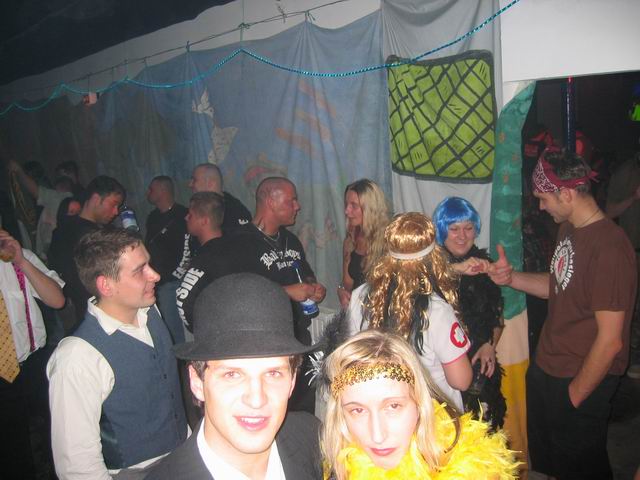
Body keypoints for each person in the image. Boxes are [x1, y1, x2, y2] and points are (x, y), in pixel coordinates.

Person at [489, 147, 637, 479]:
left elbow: (611, 341)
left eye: (544, 199)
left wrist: (574, 396)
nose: (540, 207)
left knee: (581, 469)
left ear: (566, 194)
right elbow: (559, 286)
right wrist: (511, 278)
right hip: (549, 369)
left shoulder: (610, 248)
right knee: (550, 466)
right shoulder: (569, 227)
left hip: (578, 379)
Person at [146, 273, 323, 480]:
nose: (256, 400)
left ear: (292, 381)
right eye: (232, 375)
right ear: (197, 382)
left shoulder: (313, 437)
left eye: (273, 373)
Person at [47, 228, 187, 479]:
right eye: (140, 270)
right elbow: (77, 466)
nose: (155, 275)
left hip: (182, 454)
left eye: (149, 264)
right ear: (106, 285)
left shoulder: (150, 311)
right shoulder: (77, 357)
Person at [320, 329, 519, 479]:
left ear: (419, 403)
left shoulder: (474, 471)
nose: (377, 436)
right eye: (358, 410)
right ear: (340, 415)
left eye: (393, 406)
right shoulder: (343, 465)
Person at [348, 212, 474, 412]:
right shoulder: (436, 310)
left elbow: (354, 359)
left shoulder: (359, 296)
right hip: (432, 418)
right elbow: (461, 381)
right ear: (435, 257)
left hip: (382, 412)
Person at [229, 177, 326, 413]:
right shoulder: (238, 243)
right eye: (292, 200)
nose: (297, 206)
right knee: (273, 409)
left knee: (302, 408)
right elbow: (238, 295)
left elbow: (304, 275)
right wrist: (286, 292)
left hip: (298, 338)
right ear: (271, 202)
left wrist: (313, 288)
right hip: (263, 345)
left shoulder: (290, 239)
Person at [432, 196, 506, 430]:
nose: (462, 236)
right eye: (454, 229)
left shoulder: (484, 265)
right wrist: (456, 269)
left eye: (468, 228)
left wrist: (489, 345)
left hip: (478, 366)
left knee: (483, 431)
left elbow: (497, 316)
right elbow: (419, 280)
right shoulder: (430, 266)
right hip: (439, 369)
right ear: (441, 231)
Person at [0, 229, 65, 478]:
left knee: (50, 439)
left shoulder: (17, 258)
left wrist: (22, 261)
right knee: (12, 452)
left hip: (30, 365)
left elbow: (57, 300)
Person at [49, 175, 125, 330]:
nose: (116, 211)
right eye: (113, 204)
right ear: (96, 199)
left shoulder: (65, 230)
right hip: (96, 311)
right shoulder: (86, 234)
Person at [172, 163, 252, 281]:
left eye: (194, 180)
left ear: (210, 183)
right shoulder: (198, 207)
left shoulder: (235, 212)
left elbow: (240, 256)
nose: (190, 184)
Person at [606, 144, 640, 378]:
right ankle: (632, 361)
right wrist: (634, 197)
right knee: (632, 308)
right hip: (634, 252)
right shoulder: (626, 172)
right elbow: (609, 211)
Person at [176, 191, 233, 331]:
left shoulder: (205, 258)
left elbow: (184, 302)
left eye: (190, 215)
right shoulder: (234, 246)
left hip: (215, 334)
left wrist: (200, 330)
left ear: (204, 221)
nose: (186, 217)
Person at [145, 175, 188, 343]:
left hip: (173, 282)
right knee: (163, 327)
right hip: (156, 280)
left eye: (152, 189)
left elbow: (187, 251)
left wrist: (172, 278)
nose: (148, 192)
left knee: (174, 330)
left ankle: (179, 357)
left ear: (162, 190)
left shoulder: (182, 215)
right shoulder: (152, 217)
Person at [338, 179, 390, 308]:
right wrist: (341, 291)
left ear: (371, 208)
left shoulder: (390, 241)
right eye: (346, 204)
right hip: (359, 312)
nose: (346, 211)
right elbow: (348, 284)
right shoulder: (351, 240)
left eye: (354, 205)